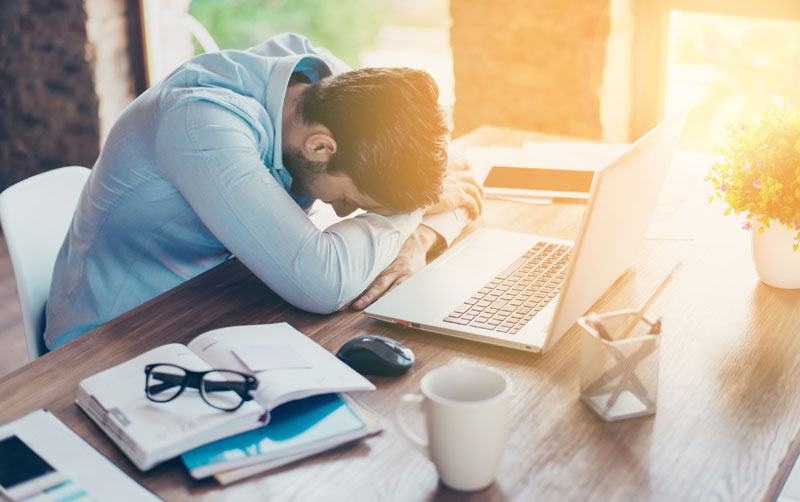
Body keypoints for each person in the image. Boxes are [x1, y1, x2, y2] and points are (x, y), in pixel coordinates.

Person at [44, 32, 482, 349]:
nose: (346, 212)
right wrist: (409, 213)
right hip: (113, 341)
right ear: (319, 146)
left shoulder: (325, 90)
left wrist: (419, 234)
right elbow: (321, 283)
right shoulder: (201, 124)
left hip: (221, 303)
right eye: (354, 199)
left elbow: (458, 176)